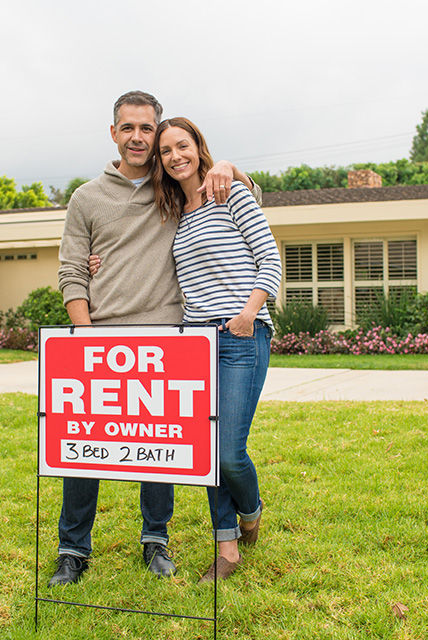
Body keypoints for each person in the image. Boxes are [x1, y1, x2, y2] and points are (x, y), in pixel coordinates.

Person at [51, 91, 261, 587]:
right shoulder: (86, 197)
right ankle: (72, 549)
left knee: (157, 448)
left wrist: (230, 165)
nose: (139, 137)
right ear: (114, 133)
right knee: (81, 449)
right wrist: (83, 334)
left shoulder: (173, 189)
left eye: (148, 128)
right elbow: (71, 271)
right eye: (129, 128)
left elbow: (244, 201)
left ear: (158, 131)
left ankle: (155, 541)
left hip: (169, 335)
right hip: (99, 336)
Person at [154, 117, 281, 583]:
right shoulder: (175, 213)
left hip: (241, 337)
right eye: (165, 151)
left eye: (181, 146)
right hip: (195, 343)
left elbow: (271, 258)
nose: (175, 157)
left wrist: (249, 313)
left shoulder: (229, 192)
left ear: (198, 147)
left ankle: (251, 510)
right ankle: (227, 549)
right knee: (208, 454)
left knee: (229, 452)